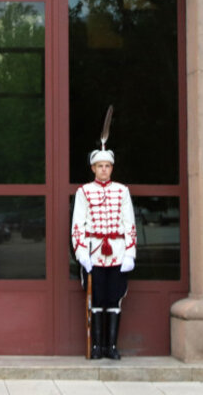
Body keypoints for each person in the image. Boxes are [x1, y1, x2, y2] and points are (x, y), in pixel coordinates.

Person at [71, 147, 136, 359]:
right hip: (94, 251)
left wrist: (130, 253)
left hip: (117, 251)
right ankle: (97, 346)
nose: (104, 170)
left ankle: (112, 347)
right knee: (97, 298)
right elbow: (78, 224)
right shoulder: (84, 191)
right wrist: (81, 252)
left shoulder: (122, 191)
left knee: (114, 298)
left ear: (112, 168)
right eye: (100, 166)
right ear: (93, 168)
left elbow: (129, 223)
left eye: (107, 166)